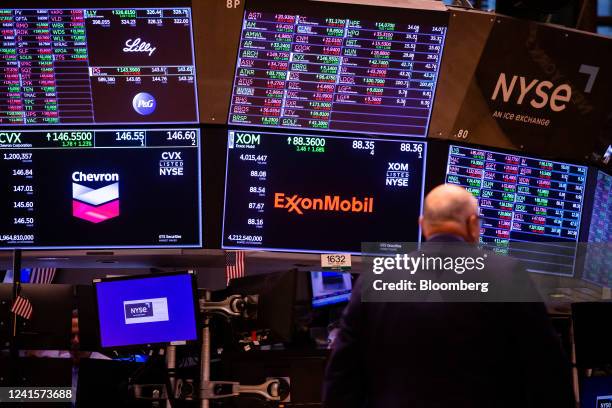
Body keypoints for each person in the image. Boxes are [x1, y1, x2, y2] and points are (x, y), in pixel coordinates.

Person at [323, 184, 575, 408]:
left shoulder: (375, 278)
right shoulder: (507, 274)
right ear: (474, 224)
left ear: (422, 225)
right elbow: (548, 371)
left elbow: (342, 379)